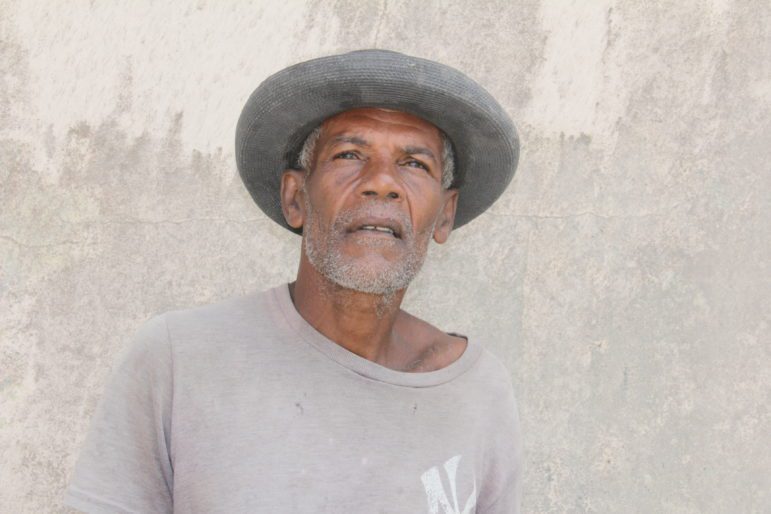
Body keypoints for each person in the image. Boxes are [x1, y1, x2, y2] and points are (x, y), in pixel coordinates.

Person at [65, 49, 523, 513]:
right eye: (350, 155)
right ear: (295, 197)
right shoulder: (180, 358)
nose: (381, 183)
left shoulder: (477, 392)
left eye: (414, 164)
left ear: (444, 215)